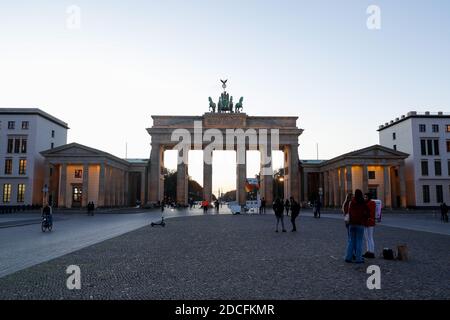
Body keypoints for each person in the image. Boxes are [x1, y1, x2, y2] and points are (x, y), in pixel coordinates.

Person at [344, 189, 369, 264]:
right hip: (360, 224)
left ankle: (348, 257)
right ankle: (358, 259)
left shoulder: (352, 202)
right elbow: (367, 213)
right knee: (359, 241)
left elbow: (349, 211)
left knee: (351, 241)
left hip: (351, 224)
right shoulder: (363, 202)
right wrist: (364, 219)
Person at [363, 193, 376, 259]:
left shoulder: (368, 204)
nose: (364, 198)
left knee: (369, 238)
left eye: (366, 197)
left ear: (369, 197)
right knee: (369, 237)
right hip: (371, 222)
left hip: (367, 222)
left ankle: (371, 252)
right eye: (364, 197)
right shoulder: (372, 203)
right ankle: (369, 251)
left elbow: (366, 212)